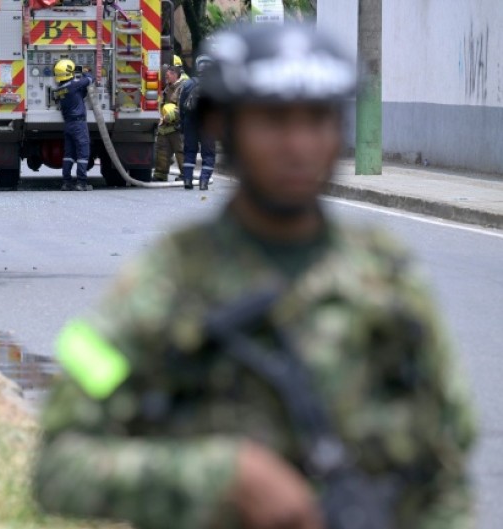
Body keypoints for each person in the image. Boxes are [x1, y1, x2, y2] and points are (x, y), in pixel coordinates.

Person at [33, 23, 476, 529]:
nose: (297, 144)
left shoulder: (389, 280)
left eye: (317, 120)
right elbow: (59, 466)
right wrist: (218, 478)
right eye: (272, 120)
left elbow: (446, 473)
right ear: (225, 127)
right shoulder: (165, 282)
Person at [53, 59, 94, 191]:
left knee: (69, 154)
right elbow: (89, 79)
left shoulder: (59, 90)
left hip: (68, 125)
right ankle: (81, 183)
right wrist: (85, 71)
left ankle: (66, 182)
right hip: (78, 124)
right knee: (83, 153)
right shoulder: (74, 85)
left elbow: (79, 95)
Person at [180, 54, 217, 190]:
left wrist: (182, 124)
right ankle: (203, 182)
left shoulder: (189, 83)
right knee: (208, 154)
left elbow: (182, 106)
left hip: (190, 122)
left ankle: (188, 180)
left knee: (189, 151)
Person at [152, 65, 187, 182]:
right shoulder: (168, 87)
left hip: (177, 126)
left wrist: (169, 117)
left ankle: (185, 174)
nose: (166, 78)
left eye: (168, 76)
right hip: (165, 125)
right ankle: (160, 174)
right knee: (162, 150)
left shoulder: (182, 87)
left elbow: (181, 106)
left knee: (181, 151)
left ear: (175, 75)